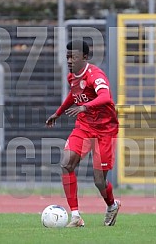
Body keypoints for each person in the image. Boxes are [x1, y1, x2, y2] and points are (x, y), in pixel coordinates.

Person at [46, 40, 120, 227]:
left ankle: (112, 205)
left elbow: (105, 96)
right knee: (66, 164)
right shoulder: (72, 77)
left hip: (105, 131)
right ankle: (76, 216)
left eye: (73, 57)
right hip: (84, 127)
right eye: (67, 57)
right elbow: (74, 94)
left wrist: (85, 107)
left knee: (99, 180)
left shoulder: (95, 75)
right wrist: (59, 112)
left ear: (85, 57)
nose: (69, 60)